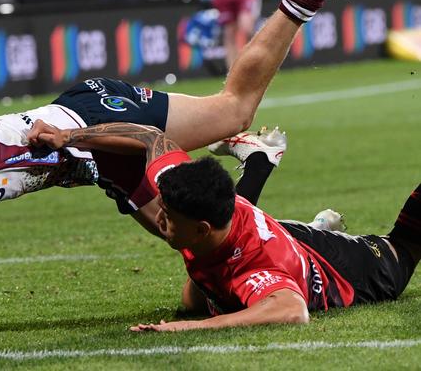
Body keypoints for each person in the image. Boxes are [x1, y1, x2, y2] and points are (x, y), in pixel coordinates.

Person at [0, 0, 391, 294]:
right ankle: (307, 232)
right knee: (198, 243)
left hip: (92, 119)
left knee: (233, 109)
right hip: (96, 165)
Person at [26, 120, 418, 331]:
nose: (158, 218)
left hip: (367, 268)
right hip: (283, 239)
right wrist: (68, 137)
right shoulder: (186, 195)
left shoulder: (253, 267)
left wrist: (194, 329)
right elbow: (149, 136)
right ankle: (262, 161)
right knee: (194, 298)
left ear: (199, 228)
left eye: (168, 218)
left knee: (406, 246)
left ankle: (265, 165)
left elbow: (291, 310)